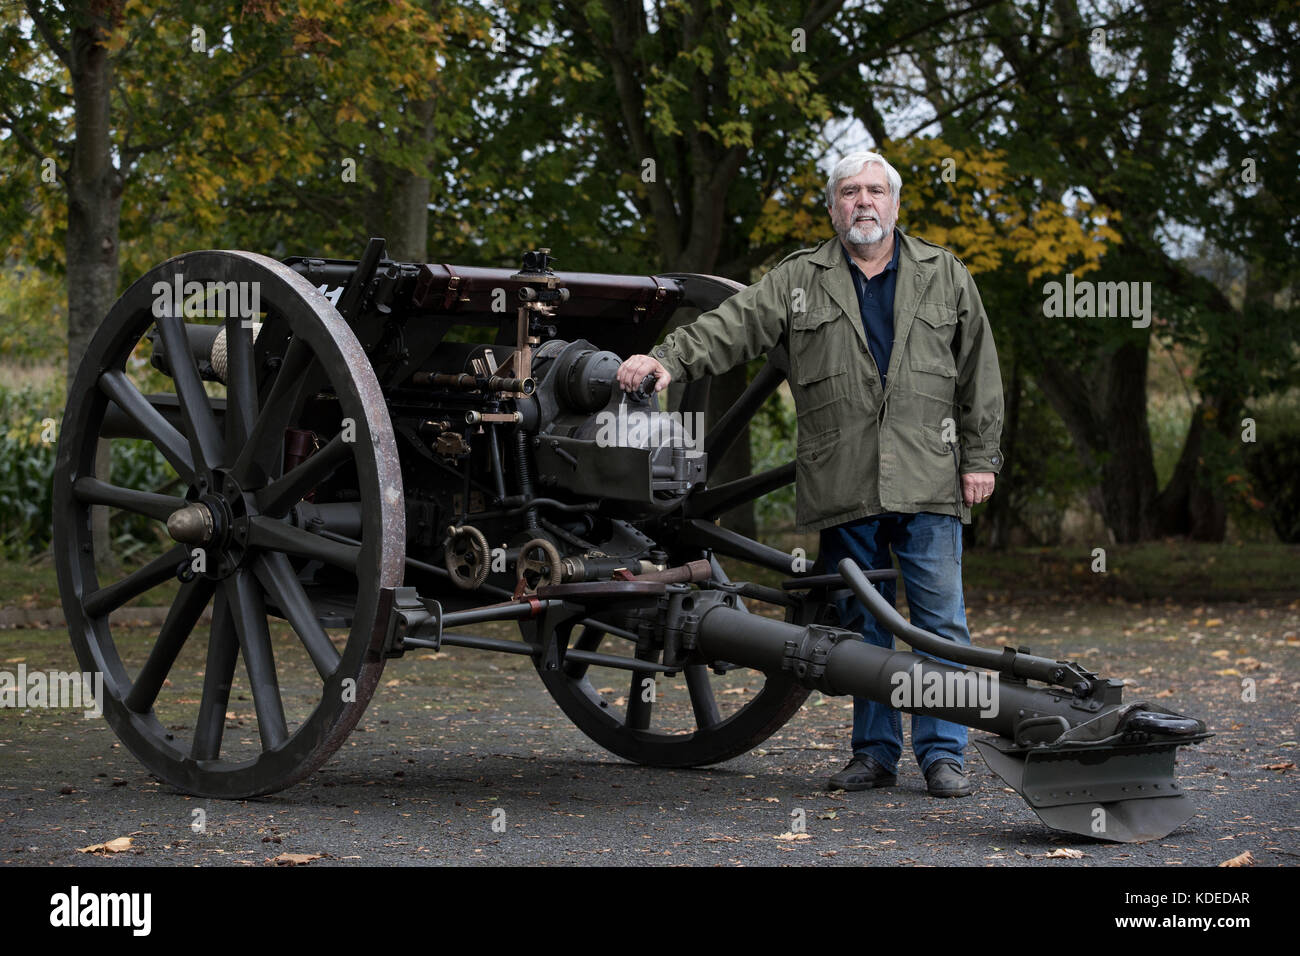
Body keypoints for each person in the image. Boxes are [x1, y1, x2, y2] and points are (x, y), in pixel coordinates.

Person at [615, 150, 1004, 798]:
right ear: (833, 207)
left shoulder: (945, 273)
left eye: (875, 191)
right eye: (850, 192)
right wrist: (666, 360)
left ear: (895, 204)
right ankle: (875, 754)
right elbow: (731, 327)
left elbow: (979, 373)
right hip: (844, 481)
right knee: (861, 627)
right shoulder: (800, 278)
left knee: (941, 623)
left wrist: (982, 458)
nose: (863, 203)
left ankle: (944, 755)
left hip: (929, 478)